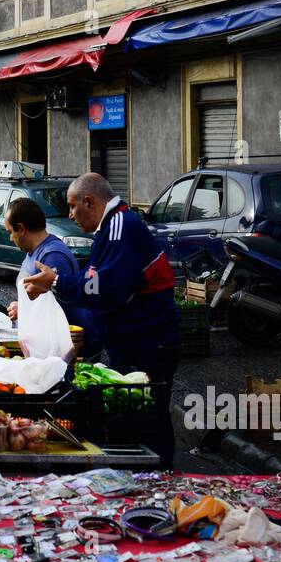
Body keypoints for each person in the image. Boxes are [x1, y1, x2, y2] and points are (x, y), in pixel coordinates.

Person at [22, 172, 181, 468]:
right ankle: (149, 474)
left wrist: (55, 281)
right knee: (139, 415)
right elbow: (92, 278)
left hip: (147, 340)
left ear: (89, 201)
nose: (70, 214)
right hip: (131, 339)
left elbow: (105, 289)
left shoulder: (121, 226)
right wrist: (58, 282)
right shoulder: (111, 228)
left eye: (72, 206)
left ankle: (161, 478)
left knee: (150, 416)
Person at [3, 197, 100, 360]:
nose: (10, 238)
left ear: (21, 228)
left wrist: (24, 309)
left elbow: (60, 304)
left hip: (66, 351)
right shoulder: (34, 251)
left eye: (10, 232)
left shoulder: (52, 256)